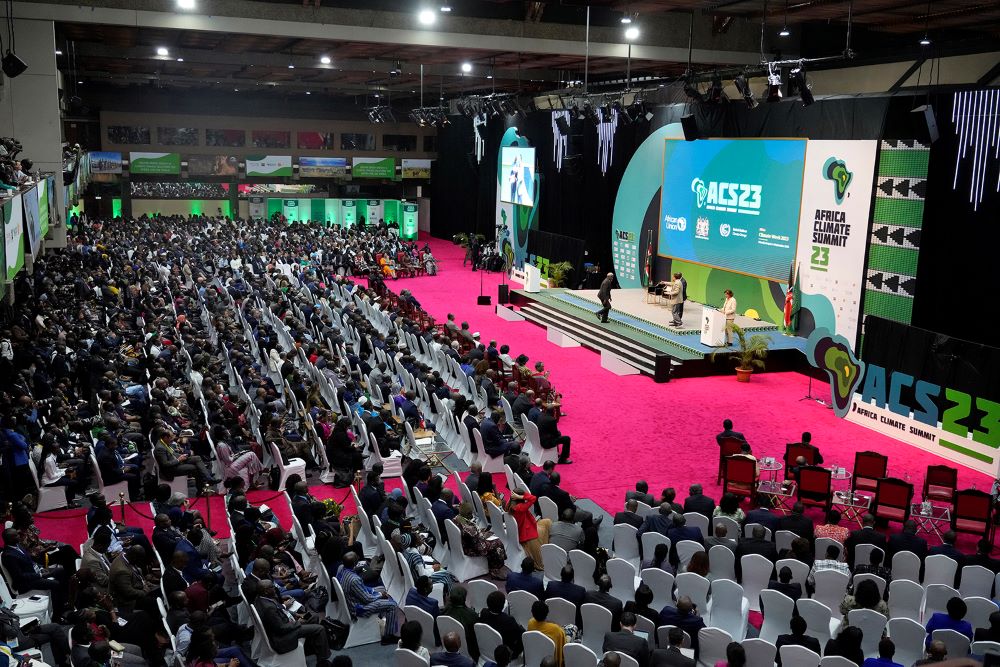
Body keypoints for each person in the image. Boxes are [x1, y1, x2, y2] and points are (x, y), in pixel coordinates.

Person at [253, 579, 332, 666]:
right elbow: (281, 628)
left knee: (313, 617)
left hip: (286, 623)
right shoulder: (269, 608)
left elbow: (280, 610)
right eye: (272, 587)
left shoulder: (261, 598)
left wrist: (296, 614)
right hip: (283, 637)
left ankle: (310, 648)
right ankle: (323, 660)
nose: (275, 588)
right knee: (320, 629)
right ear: (266, 591)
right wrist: (298, 622)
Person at [479, 591, 525, 660]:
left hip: (487, 645)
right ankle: (513, 656)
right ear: (503, 605)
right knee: (523, 634)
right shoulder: (508, 620)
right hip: (504, 649)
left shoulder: (483, 613)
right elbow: (520, 635)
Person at [527, 601, 570, 666]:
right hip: (551, 662)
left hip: (537, 654)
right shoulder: (557, 630)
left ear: (532, 613)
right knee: (572, 628)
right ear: (547, 613)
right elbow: (563, 647)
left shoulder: (530, 623)